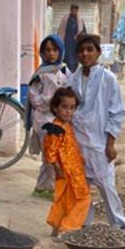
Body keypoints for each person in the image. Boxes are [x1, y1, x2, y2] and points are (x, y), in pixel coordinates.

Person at [69, 33, 125, 230]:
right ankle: (84, 226)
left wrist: (110, 144)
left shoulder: (108, 79)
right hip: (78, 143)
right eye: (81, 50)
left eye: (89, 50)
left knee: (107, 188)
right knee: (81, 188)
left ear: (98, 52)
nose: (85, 54)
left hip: (99, 144)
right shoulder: (72, 80)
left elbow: (117, 112)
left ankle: (119, 228)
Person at [26, 34, 70, 199]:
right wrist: (51, 102)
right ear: (42, 53)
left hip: (60, 120)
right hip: (44, 120)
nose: (51, 54)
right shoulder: (40, 74)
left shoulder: (65, 71)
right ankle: (50, 188)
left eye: (54, 50)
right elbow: (34, 98)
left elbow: (71, 91)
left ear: (60, 51)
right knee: (51, 155)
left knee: (52, 156)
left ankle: (42, 187)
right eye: (47, 50)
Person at [43, 87, 90, 235]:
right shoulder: (56, 128)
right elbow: (50, 151)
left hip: (74, 170)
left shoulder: (66, 125)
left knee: (64, 201)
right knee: (83, 199)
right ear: (55, 107)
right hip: (67, 172)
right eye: (64, 107)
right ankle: (68, 228)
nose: (68, 111)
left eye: (72, 108)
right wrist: (57, 168)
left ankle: (56, 230)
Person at [57, 4, 86, 72]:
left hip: (76, 44)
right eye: (73, 10)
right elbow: (60, 30)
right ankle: (68, 75)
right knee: (68, 61)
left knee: (75, 61)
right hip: (67, 42)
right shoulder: (65, 19)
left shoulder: (80, 20)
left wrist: (80, 36)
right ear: (70, 10)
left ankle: (73, 74)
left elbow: (84, 31)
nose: (74, 12)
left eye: (76, 10)